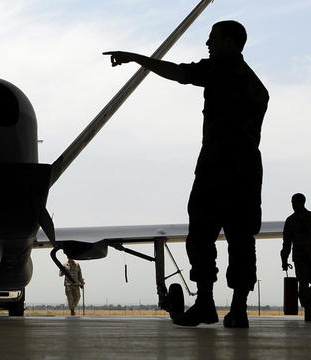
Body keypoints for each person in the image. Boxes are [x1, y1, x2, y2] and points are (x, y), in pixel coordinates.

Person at [104, 20, 269, 328]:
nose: (208, 43)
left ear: (231, 42)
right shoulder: (257, 87)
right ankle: (239, 310)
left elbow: (180, 73)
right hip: (247, 172)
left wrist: (136, 58)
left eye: (213, 39)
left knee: (202, 238)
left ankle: (206, 303)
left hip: (218, 168)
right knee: (242, 239)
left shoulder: (221, 71)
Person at [281, 193, 311, 321]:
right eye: (292, 202)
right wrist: (284, 259)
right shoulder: (291, 221)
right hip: (300, 259)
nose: (292, 205)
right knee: (303, 286)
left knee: (303, 286)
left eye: (294, 202)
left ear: (301, 202)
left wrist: (284, 259)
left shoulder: (293, 220)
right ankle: (308, 307)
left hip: (303, 258)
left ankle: (309, 305)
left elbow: (287, 243)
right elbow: (286, 243)